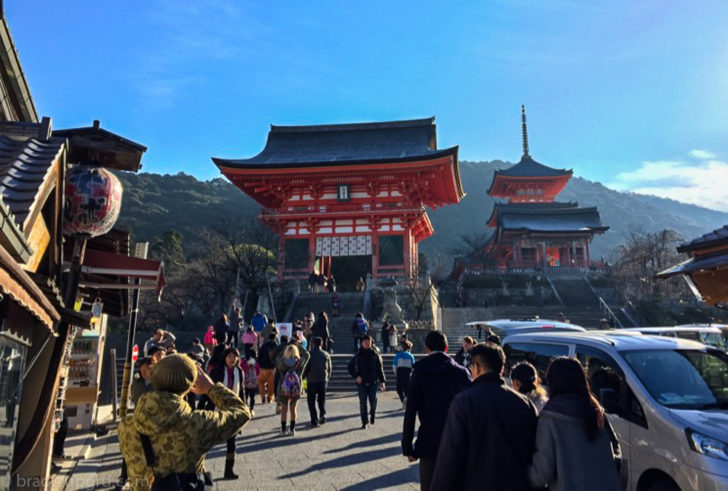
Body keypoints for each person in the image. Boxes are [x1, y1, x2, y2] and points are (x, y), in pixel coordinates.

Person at [118, 354, 250, 489]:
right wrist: (211, 388)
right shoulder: (196, 424)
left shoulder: (125, 425)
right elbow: (242, 412)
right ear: (189, 385)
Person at [430, 342, 538, 491]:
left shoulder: (464, 402)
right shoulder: (524, 403)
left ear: (477, 367)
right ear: (501, 368)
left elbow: (449, 458)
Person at [527, 357, 623, 491]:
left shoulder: (550, 418)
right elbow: (617, 457)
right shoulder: (596, 412)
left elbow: (541, 475)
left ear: (552, 382)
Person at [402, 331, 471, 490]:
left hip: (429, 440)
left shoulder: (419, 372)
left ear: (427, 348)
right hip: (457, 439)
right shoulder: (461, 373)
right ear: (446, 348)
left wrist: (408, 447)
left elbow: (410, 411)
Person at [208, 347, 246, 480]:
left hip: (233, 411)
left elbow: (241, 391)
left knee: (232, 442)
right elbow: (208, 391)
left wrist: (244, 408)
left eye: (235, 356)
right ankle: (199, 470)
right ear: (225, 357)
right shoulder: (217, 371)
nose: (232, 358)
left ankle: (229, 470)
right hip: (216, 409)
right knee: (207, 441)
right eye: (230, 356)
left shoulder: (239, 371)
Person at [347, 335, 386, 429]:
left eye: (369, 341)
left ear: (371, 343)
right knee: (363, 403)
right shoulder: (358, 355)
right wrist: (356, 376)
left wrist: (382, 381)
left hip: (373, 382)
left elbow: (379, 368)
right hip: (362, 383)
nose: (367, 343)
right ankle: (364, 422)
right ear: (362, 343)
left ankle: (372, 413)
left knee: (373, 401)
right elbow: (350, 367)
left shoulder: (375, 355)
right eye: (365, 341)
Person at [302, 337, 332, 427]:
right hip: (323, 380)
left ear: (313, 344)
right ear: (321, 344)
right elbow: (329, 368)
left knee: (311, 401)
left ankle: (314, 419)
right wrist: (327, 377)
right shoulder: (326, 355)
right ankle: (323, 414)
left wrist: (303, 377)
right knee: (321, 399)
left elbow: (306, 368)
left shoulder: (309, 354)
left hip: (312, 380)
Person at [277, 345, 304, 436]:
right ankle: (292, 429)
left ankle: (283, 429)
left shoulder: (281, 362)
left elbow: (276, 358)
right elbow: (307, 355)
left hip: (284, 388)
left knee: (284, 410)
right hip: (295, 388)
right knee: (293, 409)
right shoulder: (299, 363)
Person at [392, 340, 416, 409]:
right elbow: (413, 366)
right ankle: (407, 402)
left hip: (399, 372)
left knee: (399, 389)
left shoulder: (398, 355)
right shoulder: (411, 356)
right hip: (407, 373)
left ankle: (404, 401)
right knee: (406, 389)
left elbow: (394, 365)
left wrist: (396, 373)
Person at [257, 333, 278, 404]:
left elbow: (259, 355)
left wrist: (260, 364)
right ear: (275, 337)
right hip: (273, 368)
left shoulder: (264, 345)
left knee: (261, 381)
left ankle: (263, 396)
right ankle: (270, 397)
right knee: (271, 384)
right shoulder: (276, 346)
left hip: (264, 368)